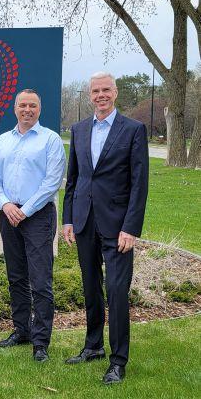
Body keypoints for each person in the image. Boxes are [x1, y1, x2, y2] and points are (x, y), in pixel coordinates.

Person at [62, 72, 148, 384]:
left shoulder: (133, 129)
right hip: (84, 220)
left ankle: (118, 360)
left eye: (106, 90)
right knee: (91, 287)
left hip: (118, 226)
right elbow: (74, 179)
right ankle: (93, 346)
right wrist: (68, 219)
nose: (101, 95)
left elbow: (139, 184)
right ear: (90, 95)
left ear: (115, 92)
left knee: (116, 291)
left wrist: (131, 228)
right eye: (95, 91)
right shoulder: (79, 129)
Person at [0, 89, 65, 362]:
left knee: (40, 282)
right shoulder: (2, 140)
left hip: (38, 216)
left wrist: (25, 210)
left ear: (39, 109)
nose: (27, 110)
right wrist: (6, 205)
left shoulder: (50, 140)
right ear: (15, 108)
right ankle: (22, 330)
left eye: (32, 105)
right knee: (16, 277)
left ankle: (40, 342)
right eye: (23, 105)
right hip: (9, 214)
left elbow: (52, 182)